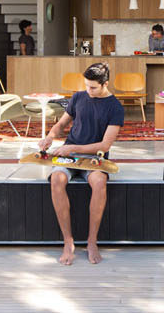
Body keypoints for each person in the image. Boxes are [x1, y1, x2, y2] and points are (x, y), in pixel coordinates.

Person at [43, 62, 124, 266]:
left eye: (93, 87)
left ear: (105, 84)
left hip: (94, 157)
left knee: (99, 182)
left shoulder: (115, 107)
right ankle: (68, 241)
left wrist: (73, 149)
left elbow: (105, 145)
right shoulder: (79, 97)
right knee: (56, 179)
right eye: (86, 85)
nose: (88, 91)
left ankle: (91, 241)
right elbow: (61, 124)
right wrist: (50, 137)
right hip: (70, 155)